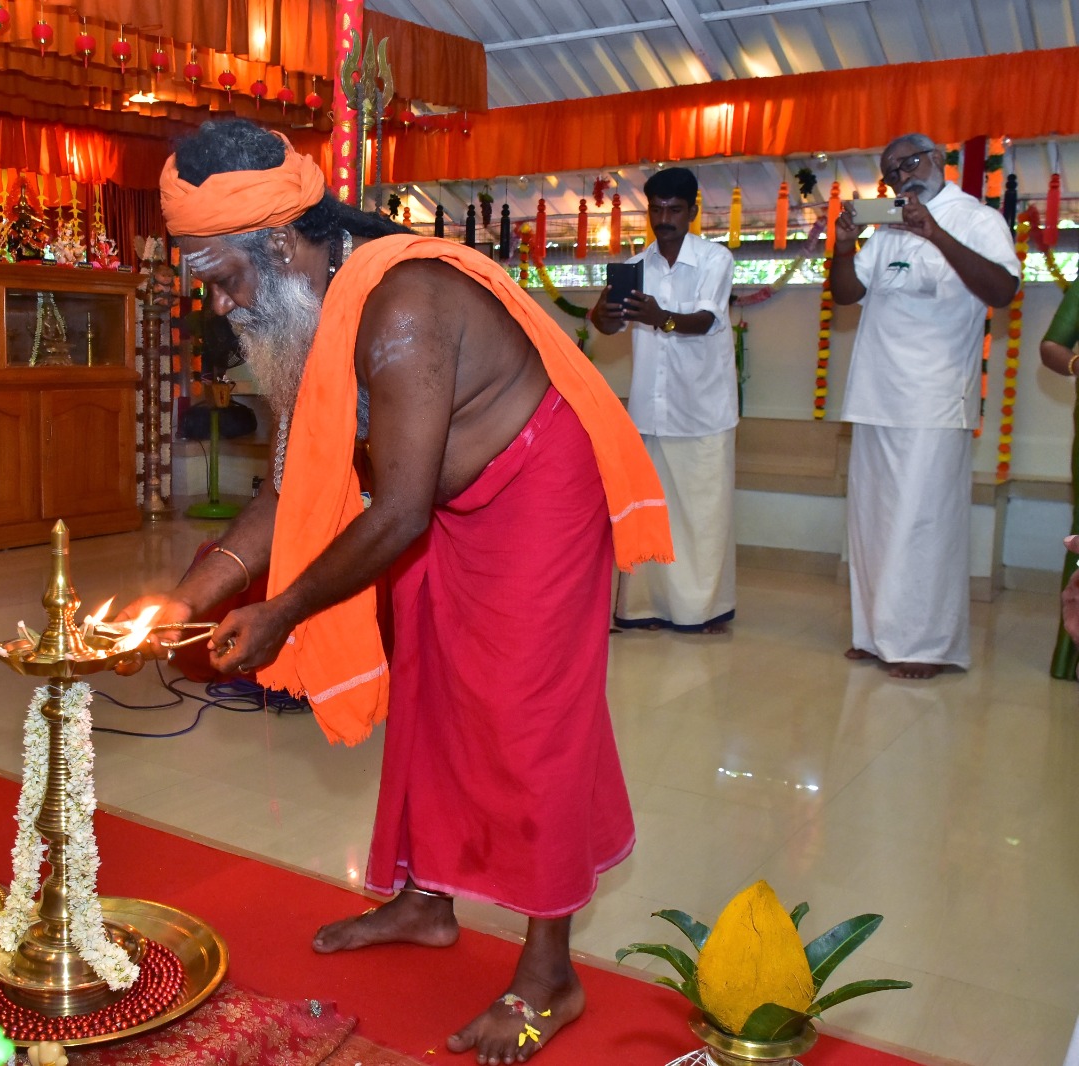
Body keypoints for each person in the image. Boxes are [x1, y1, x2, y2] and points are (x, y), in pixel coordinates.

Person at [123, 120, 672, 1060]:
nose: (221, 305)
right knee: (433, 692)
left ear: (280, 246)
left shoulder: (402, 302)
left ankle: (551, 973)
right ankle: (426, 901)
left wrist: (284, 609)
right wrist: (186, 597)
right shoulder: (311, 308)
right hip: (441, 501)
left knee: (530, 716)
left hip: (538, 488)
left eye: (223, 279)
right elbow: (291, 486)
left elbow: (400, 508)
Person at [831, 133, 1020, 680]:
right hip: (876, 395)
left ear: (938, 160)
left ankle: (927, 644)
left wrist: (934, 232)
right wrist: (844, 247)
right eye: (891, 172)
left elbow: (1003, 291)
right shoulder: (888, 229)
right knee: (873, 522)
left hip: (934, 399)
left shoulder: (978, 219)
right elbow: (847, 294)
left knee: (923, 523)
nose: (901, 177)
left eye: (908, 164)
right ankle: (876, 633)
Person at [591, 166, 737, 634]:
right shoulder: (638, 265)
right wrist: (603, 313)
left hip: (702, 411)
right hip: (649, 414)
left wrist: (662, 318)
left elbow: (707, 319)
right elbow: (607, 325)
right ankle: (644, 607)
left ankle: (702, 611)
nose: (664, 219)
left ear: (692, 211)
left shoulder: (715, 259)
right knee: (650, 514)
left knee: (701, 518)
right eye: (656, 209)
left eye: (674, 209)